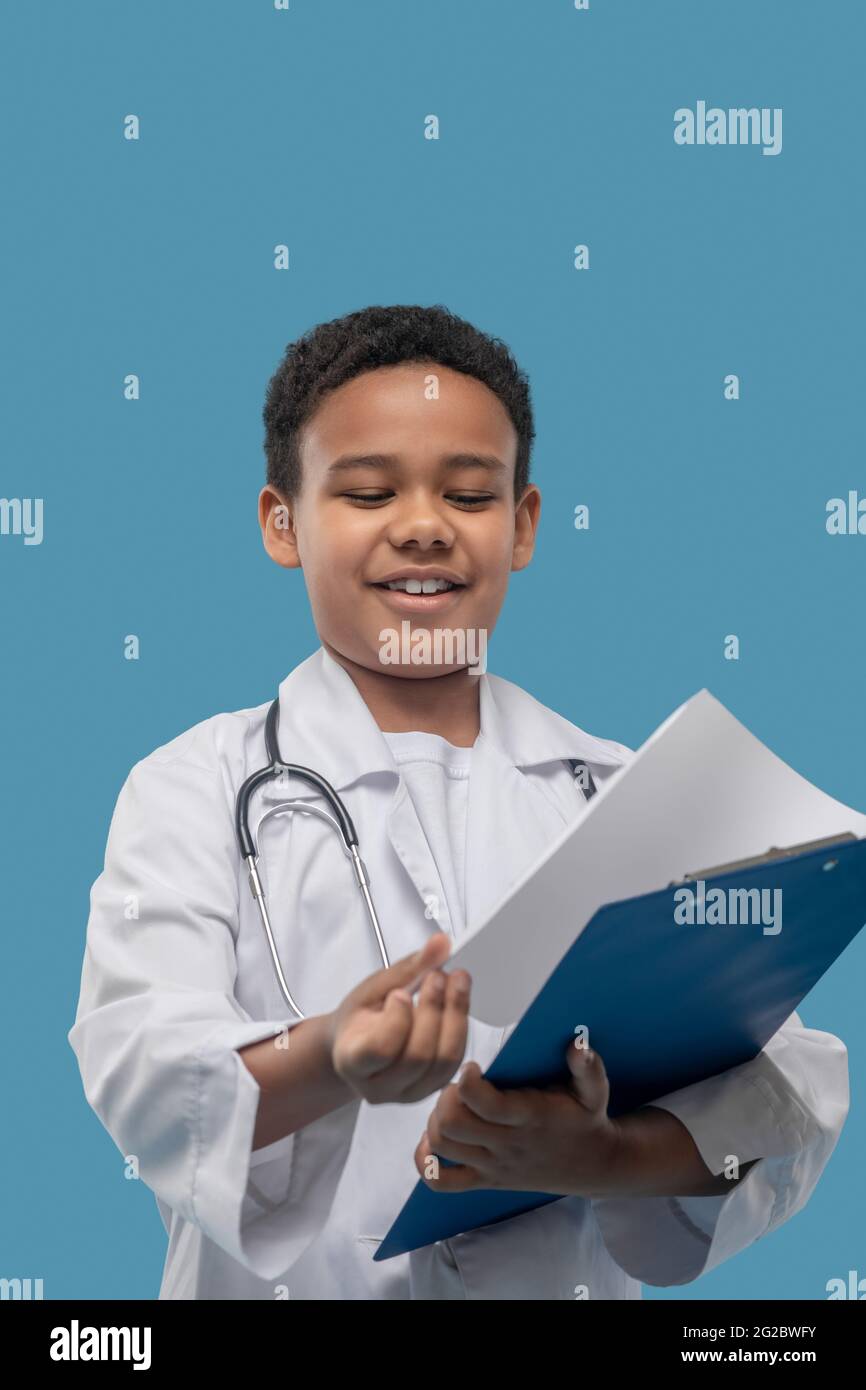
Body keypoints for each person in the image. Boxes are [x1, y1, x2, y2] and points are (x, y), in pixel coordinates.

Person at [68, 304, 848, 1300]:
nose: (424, 523)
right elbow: (143, 1067)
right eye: (366, 490)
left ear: (520, 525)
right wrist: (331, 1056)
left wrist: (597, 1157)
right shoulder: (193, 787)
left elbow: (787, 1101)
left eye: (469, 492)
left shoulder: (626, 795)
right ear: (282, 522)